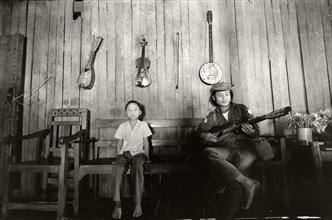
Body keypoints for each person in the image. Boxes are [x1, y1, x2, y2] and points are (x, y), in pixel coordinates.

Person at [196, 82, 260, 219]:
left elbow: (256, 132)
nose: (224, 98)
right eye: (220, 95)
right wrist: (204, 135)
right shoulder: (213, 116)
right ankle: (247, 182)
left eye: (227, 94)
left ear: (231, 95)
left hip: (244, 151)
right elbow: (200, 132)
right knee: (208, 152)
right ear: (214, 98)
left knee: (232, 182)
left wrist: (251, 132)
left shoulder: (242, 109)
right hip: (226, 152)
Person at [112, 100, 152, 219]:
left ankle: (138, 203)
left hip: (139, 154)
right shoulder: (122, 126)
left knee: (138, 169)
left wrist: (148, 157)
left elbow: (146, 142)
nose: (132, 112)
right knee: (118, 169)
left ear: (140, 112)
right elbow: (119, 143)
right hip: (125, 154)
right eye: (129, 110)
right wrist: (118, 156)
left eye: (135, 110)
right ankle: (118, 204)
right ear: (125, 113)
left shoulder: (143, 125)